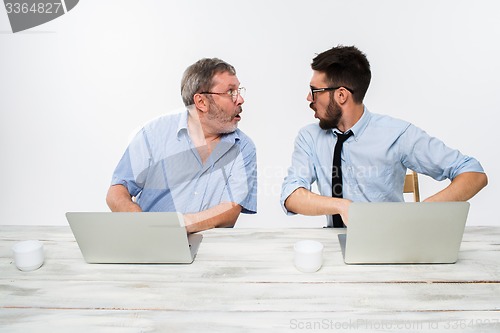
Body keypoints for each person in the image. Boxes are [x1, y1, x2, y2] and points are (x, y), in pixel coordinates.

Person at [281, 45, 487, 227]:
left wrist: (424, 213)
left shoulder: (397, 134)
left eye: (314, 90)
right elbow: (291, 196)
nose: (309, 97)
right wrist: (342, 206)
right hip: (335, 247)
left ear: (341, 95)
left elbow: (473, 173)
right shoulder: (309, 137)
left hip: (392, 246)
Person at [107, 58, 257, 233]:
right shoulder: (154, 133)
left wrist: (174, 227)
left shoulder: (244, 147)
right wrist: (140, 222)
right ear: (201, 102)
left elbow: (230, 210)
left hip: (209, 251)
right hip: (149, 245)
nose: (240, 99)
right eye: (230, 92)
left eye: (238, 90)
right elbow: (117, 191)